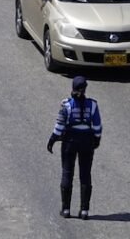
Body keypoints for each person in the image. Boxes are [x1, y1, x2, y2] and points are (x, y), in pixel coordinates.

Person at [47, 76, 101, 219]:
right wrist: (97, 140)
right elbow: (97, 126)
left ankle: (66, 209)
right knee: (85, 174)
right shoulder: (93, 105)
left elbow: (59, 125)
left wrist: (52, 139)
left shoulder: (67, 104)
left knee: (67, 173)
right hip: (87, 141)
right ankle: (84, 211)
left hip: (70, 141)